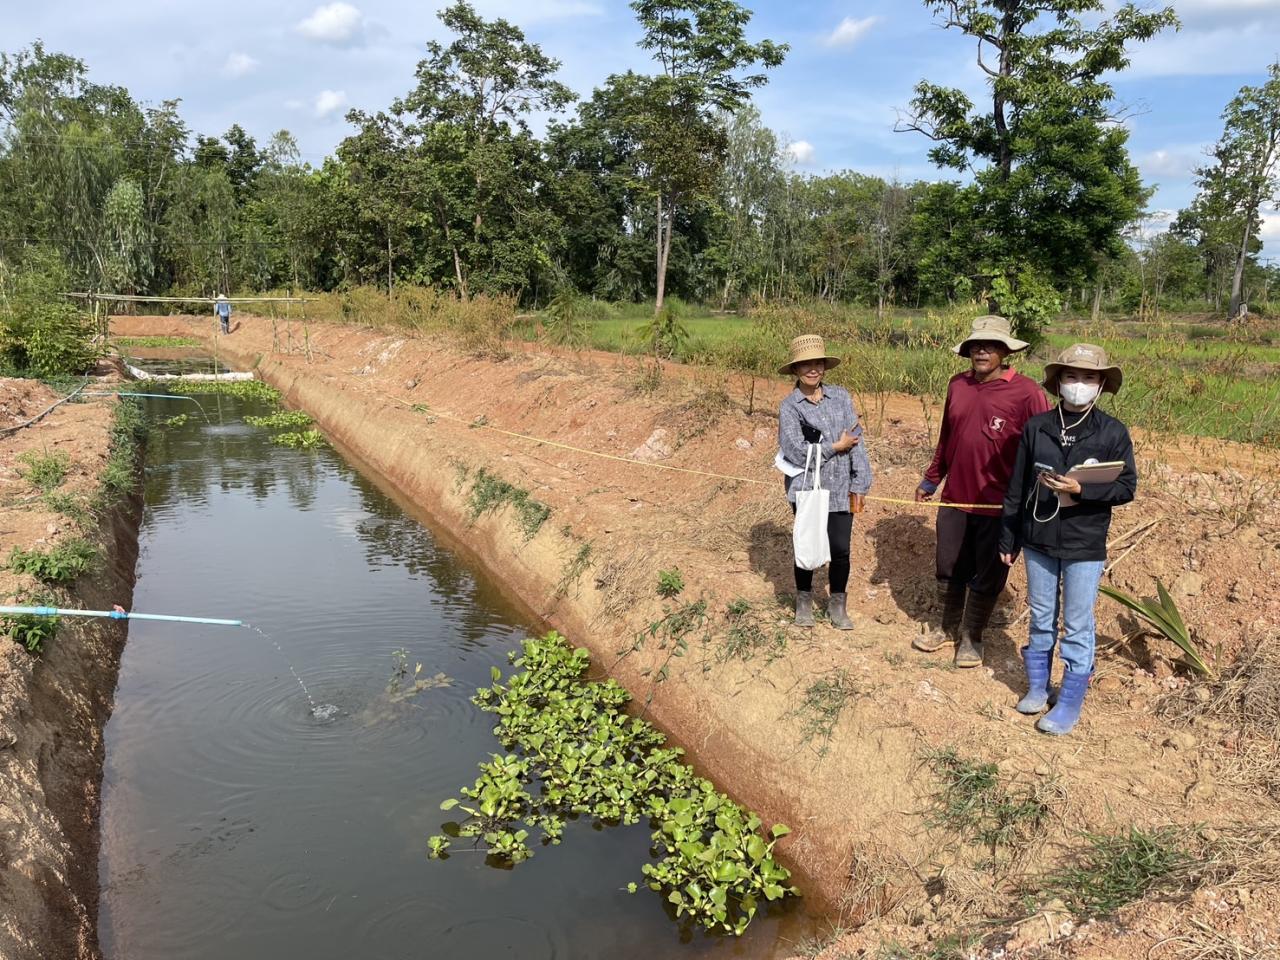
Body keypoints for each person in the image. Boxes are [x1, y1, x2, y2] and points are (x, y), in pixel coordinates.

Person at [1000, 344, 1136, 736]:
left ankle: (1071, 700)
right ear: (1058, 381)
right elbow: (1017, 485)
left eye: (1089, 377)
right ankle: (1039, 687)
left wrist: (1082, 490)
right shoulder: (1037, 427)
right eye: (1072, 376)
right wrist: (1009, 536)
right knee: (1041, 615)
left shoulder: (1112, 432)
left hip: (1084, 542)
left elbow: (1127, 486)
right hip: (1039, 538)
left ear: (1101, 385)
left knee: (1077, 624)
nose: (1079, 384)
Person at [913, 316, 1051, 666]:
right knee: (948, 564)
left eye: (990, 345)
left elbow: (1041, 451)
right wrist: (932, 479)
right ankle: (946, 629)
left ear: (1005, 351)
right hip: (956, 496)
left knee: (988, 571)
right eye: (976, 345)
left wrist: (1034, 501)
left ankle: (972, 637)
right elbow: (947, 436)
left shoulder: (1027, 393)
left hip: (999, 504)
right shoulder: (957, 385)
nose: (982, 351)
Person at [777, 334, 873, 630]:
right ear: (796, 370)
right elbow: (794, 450)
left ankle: (837, 604)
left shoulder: (841, 397)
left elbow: (856, 439)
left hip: (841, 487)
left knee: (841, 549)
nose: (812, 369)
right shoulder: (790, 406)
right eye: (805, 364)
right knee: (806, 545)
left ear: (824, 366)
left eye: (817, 363)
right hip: (806, 489)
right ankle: (804, 601)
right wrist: (835, 447)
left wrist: (860, 482)